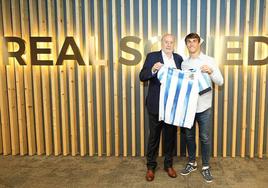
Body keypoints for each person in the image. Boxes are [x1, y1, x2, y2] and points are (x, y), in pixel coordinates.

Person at [179, 33, 223, 183]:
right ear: (186, 45)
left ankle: (205, 166)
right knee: (189, 137)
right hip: (188, 108)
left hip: (204, 107)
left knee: (204, 138)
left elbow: (220, 81)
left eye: (194, 41)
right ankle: (192, 162)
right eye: (189, 42)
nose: (191, 44)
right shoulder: (184, 64)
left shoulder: (209, 60)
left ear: (199, 43)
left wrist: (211, 71)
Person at [139, 34, 183, 181]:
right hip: (155, 105)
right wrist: (152, 70)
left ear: (174, 44)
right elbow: (142, 76)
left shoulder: (178, 59)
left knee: (170, 138)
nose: (168, 45)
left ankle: (168, 165)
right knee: (154, 137)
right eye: (166, 42)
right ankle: (151, 167)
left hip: (172, 106)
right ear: (162, 43)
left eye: (171, 42)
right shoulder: (152, 56)